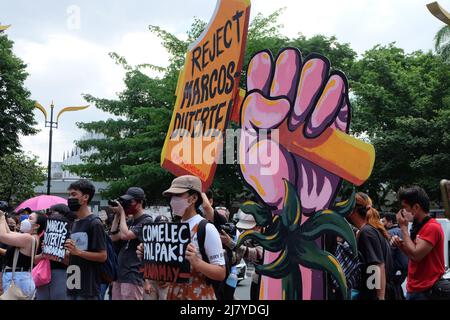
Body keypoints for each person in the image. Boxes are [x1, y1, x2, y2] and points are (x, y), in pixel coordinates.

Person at [162, 175, 226, 300]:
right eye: (171, 197)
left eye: (178, 195)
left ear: (194, 198)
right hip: (174, 294)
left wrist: (197, 262)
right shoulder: (174, 229)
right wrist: (149, 256)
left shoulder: (206, 228)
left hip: (198, 295)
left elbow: (221, 273)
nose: (173, 201)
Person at [391, 186, 445, 300]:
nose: (402, 212)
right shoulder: (418, 226)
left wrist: (404, 228)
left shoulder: (432, 227)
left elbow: (416, 256)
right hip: (414, 288)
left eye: (405, 208)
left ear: (416, 207)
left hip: (427, 290)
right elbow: (411, 253)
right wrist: (400, 244)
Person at [64, 179, 107, 300]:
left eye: (73, 194)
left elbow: (102, 256)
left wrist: (78, 252)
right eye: (69, 194)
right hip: (72, 284)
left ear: (85, 197)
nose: (69, 198)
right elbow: (72, 258)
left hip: (88, 288)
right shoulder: (75, 223)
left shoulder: (95, 223)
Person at [346, 192, 393, 300]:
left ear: (353, 210)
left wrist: (379, 297)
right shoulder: (372, 229)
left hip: (374, 294)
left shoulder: (366, 232)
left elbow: (377, 266)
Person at [110, 187, 153, 300]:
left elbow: (125, 235)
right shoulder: (129, 221)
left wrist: (123, 212)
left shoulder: (147, 220)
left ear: (140, 203)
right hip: (120, 274)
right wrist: (117, 216)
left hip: (133, 274)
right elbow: (114, 237)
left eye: (131, 201)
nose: (127, 204)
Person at [0, 210, 47, 299]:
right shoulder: (31, 237)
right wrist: (3, 217)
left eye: (30, 218)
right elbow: (9, 233)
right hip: (19, 278)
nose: (25, 220)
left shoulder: (28, 238)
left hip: (18, 279)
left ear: (37, 226)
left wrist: (2, 218)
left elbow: (2, 236)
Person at [35, 204, 75, 300]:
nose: (50, 216)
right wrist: (44, 254)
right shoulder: (43, 235)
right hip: (42, 276)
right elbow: (34, 260)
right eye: (49, 213)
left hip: (63, 274)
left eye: (52, 213)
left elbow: (73, 263)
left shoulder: (71, 236)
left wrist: (59, 253)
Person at [224, 209, 264, 301]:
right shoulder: (245, 237)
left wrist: (232, 244)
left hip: (272, 281)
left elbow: (259, 254)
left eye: (248, 228)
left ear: (258, 226)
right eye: (243, 228)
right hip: (256, 278)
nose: (245, 231)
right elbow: (235, 259)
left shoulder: (269, 235)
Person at [144, 215, 170, 300]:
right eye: (159, 225)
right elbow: (144, 262)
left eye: (164, 225)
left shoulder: (173, 242)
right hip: (151, 279)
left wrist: (170, 281)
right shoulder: (149, 242)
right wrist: (146, 282)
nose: (162, 228)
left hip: (166, 280)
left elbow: (177, 264)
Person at [382, 212, 408, 299]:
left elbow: (389, 254)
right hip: (404, 270)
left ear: (390, 222)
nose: (382, 223)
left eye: (384, 221)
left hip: (394, 270)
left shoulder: (389, 233)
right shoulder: (403, 232)